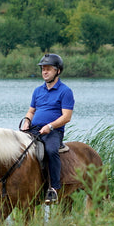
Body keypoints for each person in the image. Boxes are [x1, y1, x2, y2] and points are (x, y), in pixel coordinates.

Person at [20, 53, 74, 204]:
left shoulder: (65, 91)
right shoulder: (38, 91)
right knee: (16, 149)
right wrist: (26, 122)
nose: (44, 71)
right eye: (43, 69)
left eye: (48, 69)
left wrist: (50, 126)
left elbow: (66, 117)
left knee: (50, 151)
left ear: (58, 71)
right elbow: (31, 111)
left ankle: (53, 189)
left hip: (53, 132)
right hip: (33, 129)